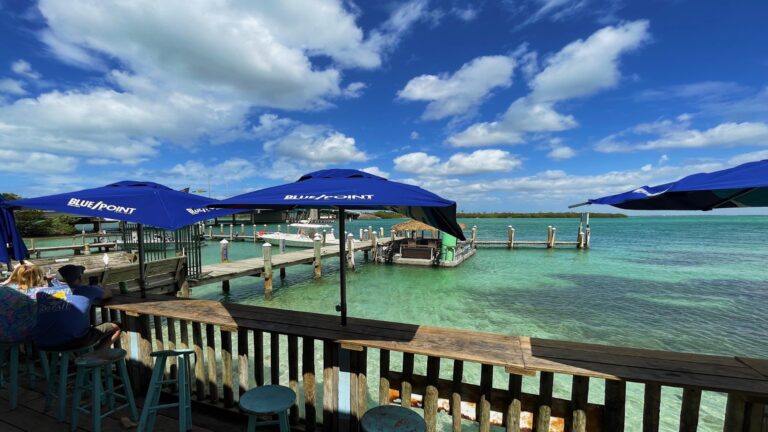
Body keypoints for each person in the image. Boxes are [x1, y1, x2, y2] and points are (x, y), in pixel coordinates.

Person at [29, 265, 119, 350]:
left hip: (41, 342)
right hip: (73, 342)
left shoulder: (41, 293)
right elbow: (108, 294)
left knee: (67, 329)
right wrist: (99, 287)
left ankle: (73, 359)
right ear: (79, 278)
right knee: (117, 326)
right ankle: (93, 356)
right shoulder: (87, 290)